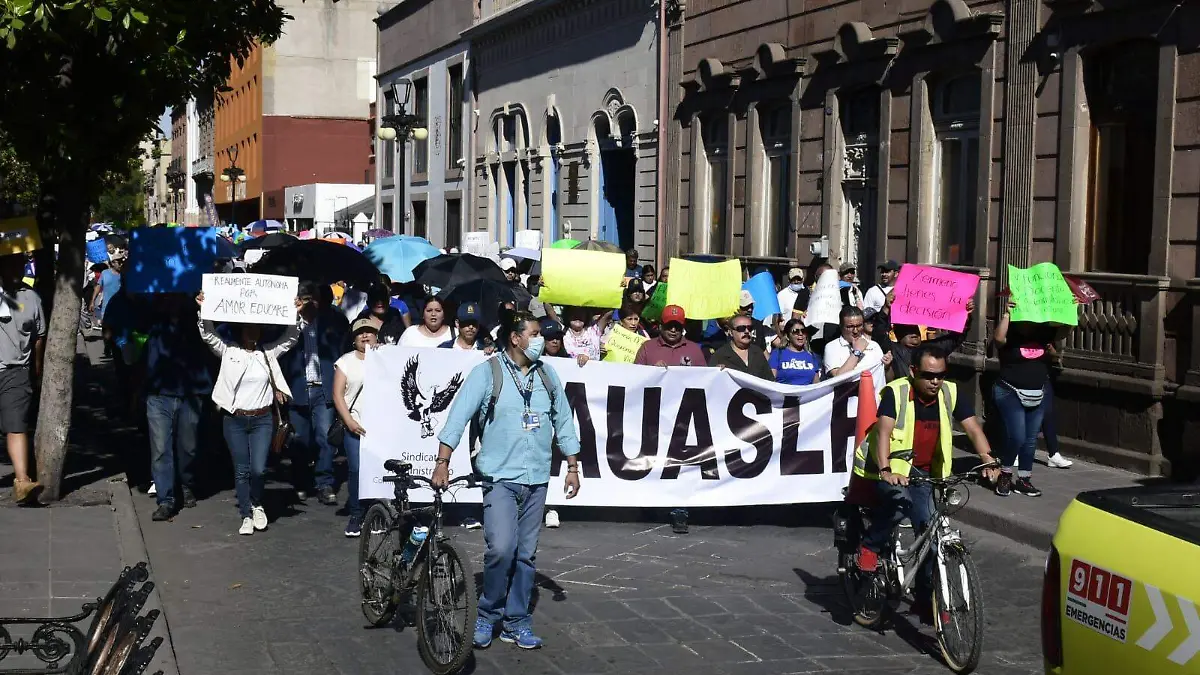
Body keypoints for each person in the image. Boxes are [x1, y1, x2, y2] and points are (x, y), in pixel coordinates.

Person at [432, 309, 581, 650]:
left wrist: (573, 466)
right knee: (501, 549)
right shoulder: (488, 372)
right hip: (500, 477)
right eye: (534, 334)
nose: (540, 340)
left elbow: (564, 422)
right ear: (516, 338)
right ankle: (488, 614)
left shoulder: (548, 375)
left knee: (526, 555)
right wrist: (443, 461)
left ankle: (517, 621)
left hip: (537, 478)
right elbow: (458, 417)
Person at [852, 345, 1000, 624]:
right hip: (886, 467)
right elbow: (883, 431)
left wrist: (988, 459)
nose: (936, 381)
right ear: (913, 371)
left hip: (921, 472)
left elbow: (972, 428)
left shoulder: (950, 393)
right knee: (899, 503)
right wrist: (886, 470)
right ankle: (869, 547)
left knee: (931, 535)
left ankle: (924, 599)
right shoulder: (895, 392)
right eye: (929, 375)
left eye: (941, 375)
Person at [197, 293, 301, 536]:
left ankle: (257, 503)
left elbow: (291, 338)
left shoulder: (267, 353)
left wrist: (295, 314)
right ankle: (246, 512)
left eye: (257, 329)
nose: (253, 333)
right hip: (234, 420)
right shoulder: (229, 351)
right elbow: (209, 336)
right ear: (241, 330)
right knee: (241, 469)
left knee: (259, 469)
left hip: (262, 419)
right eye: (248, 329)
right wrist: (204, 309)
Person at [143, 295, 214, 521]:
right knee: (161, 448)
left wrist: (202, 308)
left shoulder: (196, 320)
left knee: (188, 446)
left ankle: (186, 483)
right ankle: (166, 499)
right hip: (158, 392)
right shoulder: (152, 317)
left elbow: (216, 333)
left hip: (190, 392)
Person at [279, 281, 349, 506]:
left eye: (313, 298)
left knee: (325, 438)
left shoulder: (332, 321)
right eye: (306, 298)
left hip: (323, 388)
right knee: (301, 440)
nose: (311, 303)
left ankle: (324, 482)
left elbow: (343, 349)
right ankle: (300, 482)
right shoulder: (288, 324)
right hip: (298, 388)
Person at [992, 298, 1060, 497]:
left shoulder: (1044, 332)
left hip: (1037, 392)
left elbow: (1061, 338)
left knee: (1030, 439)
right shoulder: (1010, 330)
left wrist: (1070, 310)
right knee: (1018, 435)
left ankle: (1024, 480)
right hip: (1009, 391)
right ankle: (1005, 474)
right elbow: (998, 340)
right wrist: (1007, 314)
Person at [0, 254, 45, 504]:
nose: (16, 268)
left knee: (16, 424)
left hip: (16, 371)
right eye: (9, 263)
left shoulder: (31, 298)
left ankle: (22, 480)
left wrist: (35, 368)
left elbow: (39, 335)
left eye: (19, 263)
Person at [332, 316, 380, 537]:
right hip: (356, 426)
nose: (365, 335)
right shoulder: (345, 362)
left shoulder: (385, 357)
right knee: (357, 470)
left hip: (380, 428)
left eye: (369, 331)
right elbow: (337, 395)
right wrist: (349, 421)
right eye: (360, 333)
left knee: (379, 472)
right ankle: (356, 514)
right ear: (353, 339)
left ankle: (376, 513)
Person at [824, 306, 891, 378]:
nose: (855, 331)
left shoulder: (874, 346)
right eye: (850, 327)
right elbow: (837, 378)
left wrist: (887, 367)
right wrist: (857, 352)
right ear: (841, 326)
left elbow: (889, 379)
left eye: (859, 326)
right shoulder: (832, 347)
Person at [634, 305, 705, 367]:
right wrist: (653, 370)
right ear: (660, 326)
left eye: (677, 326)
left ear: (683, 327)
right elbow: (637, 375)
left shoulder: (694, 349)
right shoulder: (647, 347)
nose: (673, 330)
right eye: (669, 325)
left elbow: (704, 377)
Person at [708, 314, 772, 380]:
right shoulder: (720, 355)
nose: (747, 331)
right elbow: (710, 381)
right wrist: (716, 373)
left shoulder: (757, 352)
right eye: (741, 328)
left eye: (749, 328)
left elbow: (769, 380)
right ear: (730, 332)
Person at [769, 319, 820, 386]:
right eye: (795, 331)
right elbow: (770, 381)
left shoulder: (811, 355)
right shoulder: (777, 354)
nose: (800, 334)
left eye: (803, 331)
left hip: (807, 395)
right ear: (787, 336)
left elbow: (816, 384)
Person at [92, 249, 125, 328]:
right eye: (118, 262)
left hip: (121, 308)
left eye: (122, 262)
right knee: (107, 331)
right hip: (106, 307)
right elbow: (98, 286)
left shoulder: (125, 274)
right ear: (113, 263)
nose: (121, 264)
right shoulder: (105, 273)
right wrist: (92, 301)